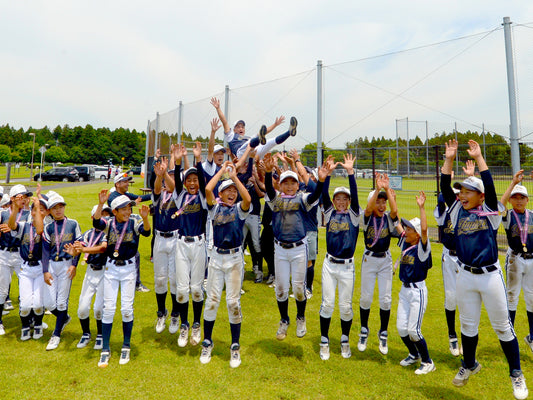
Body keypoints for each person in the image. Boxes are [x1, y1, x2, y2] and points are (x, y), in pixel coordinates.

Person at [441, 139, 528, 399]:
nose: (462, 195)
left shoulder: (490, 211)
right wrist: (449, 159)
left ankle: (516, 374)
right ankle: (469, 365)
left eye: (468, 191)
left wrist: (479, 158)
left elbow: (489, 186)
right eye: (461, 191)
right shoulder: (457, 211)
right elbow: (445, 186)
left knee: (503, 327)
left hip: (490, 276)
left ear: (480, 196)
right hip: (465, 275)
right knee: (468, 326)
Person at [263, 153, 325, 341]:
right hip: (280, 248)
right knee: (281, 288)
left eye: (293, 183)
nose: (289, 186)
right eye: (285, 183)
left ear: (298, 185)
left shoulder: (302, 199)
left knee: (299, 288)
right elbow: (268, 189)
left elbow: (315, 195)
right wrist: (267, 173)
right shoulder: (275, 200)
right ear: (280, 185)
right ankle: (284, 320)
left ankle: (300, 317)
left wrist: (321, 181)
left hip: (299, 248)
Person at [200, 160, 251, 368]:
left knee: (232, 302)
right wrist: (223, 171)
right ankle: (207, 342)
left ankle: (235, 346)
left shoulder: (239, 209)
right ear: (221, 194)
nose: (231, 193)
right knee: (212, 301)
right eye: (227, 191)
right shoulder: (214, 209)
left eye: (233, 191)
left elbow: (247, 198)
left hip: (234, 259)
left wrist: (235, 177)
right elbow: (207, 188)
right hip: (216, 258)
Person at [93, 191, 151, 367]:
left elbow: (146, 233)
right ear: (115, 211)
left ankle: (126, 345)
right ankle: (105, 349)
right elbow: (96, 222)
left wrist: (146, 218)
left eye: (128, 208)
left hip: (128, 269)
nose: (127, 212)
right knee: (109, 308)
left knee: (127, 308)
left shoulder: (133, 222)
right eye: (123, 209)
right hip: (111, 268)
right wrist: (101, 204)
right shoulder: (109, 223)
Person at [318, 154, 361, 360]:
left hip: (346, 267)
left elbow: (355, 195)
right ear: (334, 201)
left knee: (345, 306)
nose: (341, 201)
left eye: (345, 198)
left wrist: (350, 172)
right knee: (327, 303)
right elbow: (324, 194)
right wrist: (327, 175)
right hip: (329, 264)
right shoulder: (330, 212)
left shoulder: (353, 215)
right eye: (338, 198)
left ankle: (344, 339)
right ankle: (324, 340)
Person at [434, 161, 475, 357]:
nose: (459, 197)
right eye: (457, 194)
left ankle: (465, 338)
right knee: (451, 297)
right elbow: (443, 194)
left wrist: (471, 177)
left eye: (463, 194)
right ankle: (452, 334)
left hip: (465, 259)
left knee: (466, 300)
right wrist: (447, 178)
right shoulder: (446, 211)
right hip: (448, 258)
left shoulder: (469, 212)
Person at [172, 143, 209, 348]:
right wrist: (178, 162)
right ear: (185, 183)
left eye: (195, 179)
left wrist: (197, 160)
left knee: (196, 288)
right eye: (189, 180)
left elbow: (204, 183)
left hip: (198, 244)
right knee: (181, 290)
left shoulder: (202, 197)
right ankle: (184, 325)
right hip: (181, 245)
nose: (193, 183)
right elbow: (177, 182)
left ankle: (196, 323)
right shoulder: (181, 196)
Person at [358, 174, 399, 355]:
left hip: (385, 261)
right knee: (366, 297)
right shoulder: (367, 218)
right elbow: (367, 209)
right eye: (378, 202)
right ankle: (364, 330)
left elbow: (395, 212)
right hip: (369, 259)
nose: (381, 206)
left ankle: (383, 332)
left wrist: (388, 190)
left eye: (384, 203)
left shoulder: (388, 218)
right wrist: (377, 188)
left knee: (386, 298)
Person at [395, 191, 435, 375]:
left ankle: (428, 362)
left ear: (417, 234)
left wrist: (421, 207)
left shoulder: (422, 249)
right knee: (402, 329)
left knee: (414, 330)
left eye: (410, 229)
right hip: (404, 291)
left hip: (417, 292)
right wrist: (391, 197)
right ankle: (414, 354)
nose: (406, 230)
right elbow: (395, 221)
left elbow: (425, 231)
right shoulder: (406, 241)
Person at [42, 194, 82, 351]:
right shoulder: (48, 227)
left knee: (61, 301)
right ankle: (64, 318)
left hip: (66, 264)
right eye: (54, 208)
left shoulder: (72, 224)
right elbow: (45, 251)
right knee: (49, 303)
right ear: (50, 211)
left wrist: (74, 265)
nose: (58, 210)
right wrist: (45, 270)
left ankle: (56, 334)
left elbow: (78, 246)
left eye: (61, 207)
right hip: (52, 264)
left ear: (65, 207)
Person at [501, 169, 533, 352]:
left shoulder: (532, 214)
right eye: (515, 197)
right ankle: (510, 336)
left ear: (527, 199)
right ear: (512, 200)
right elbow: (499, 205)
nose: (519, 200)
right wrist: (512, 184)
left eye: (522, 197)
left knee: (532, 298)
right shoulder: (508, 216)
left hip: (532, 260)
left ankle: (532, 337)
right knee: (512, 296)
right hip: (515, 258)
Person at [7, 194, 47, 341]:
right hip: (25, 268)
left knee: (37, 303)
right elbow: (12, 226)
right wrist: (16, 208)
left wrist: (37, 205)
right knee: (24, 304)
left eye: (42, 210)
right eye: (35, 210)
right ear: (31, 212)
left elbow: (39, 230)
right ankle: (25, 326)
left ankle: (37, 324)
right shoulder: (24, 226)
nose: (38, 212)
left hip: (40, 267)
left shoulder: (46, 228)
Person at [72, 205, 109, 350]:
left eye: (107, 215)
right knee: (82, 308)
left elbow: (102, 248)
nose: (104, 218)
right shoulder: (88, 233)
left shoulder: (109, 233)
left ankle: (100, 334)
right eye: (100, 215)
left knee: (99, 308)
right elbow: (79, 246)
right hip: (90, 271)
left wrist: (84, 249)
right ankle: (86, 333)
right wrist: (73, 251)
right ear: (93, 218)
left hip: (104, 272)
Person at [210, 97, 297, 160]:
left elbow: (265, 131)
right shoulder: (231, 136)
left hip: (253, 153)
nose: (241, 128)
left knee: (272, 141)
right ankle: (259, 139)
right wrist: (218, 108)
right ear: (234, 129)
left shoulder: (247, 137)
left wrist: (275, 124)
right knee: (251, 141)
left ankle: (290, 131)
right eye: (238, 126)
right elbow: (224, 122)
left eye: (242, 127)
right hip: (241, 155)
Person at [151, 156, 181, 336]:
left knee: (175, 279)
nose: (168, 179)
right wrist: (159, 176)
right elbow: (156, 189)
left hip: (176, 239)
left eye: (172, 176)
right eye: (167, 176)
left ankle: (176, 313)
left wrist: (166, 176)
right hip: (160, 238)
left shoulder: (181, 195)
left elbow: (175, 188)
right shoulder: (161, 194)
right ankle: (161, 312)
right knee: (160, 278)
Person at [109, 172, 152, 293]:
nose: (127, 184)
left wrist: (156, 193)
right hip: (116, 233)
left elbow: (139, 197)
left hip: (127, 231)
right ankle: (133, 284)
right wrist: (134, 202)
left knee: (134, 255)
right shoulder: (113, 197)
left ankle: (135, 283)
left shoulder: (125, 195)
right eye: (125, 181)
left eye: (128, 181)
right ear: (117, 184)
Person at [0, 185, 31, 333]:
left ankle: (31, 320)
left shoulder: (28, 214)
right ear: (12, 199)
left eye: (25, 197)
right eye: (20, 197)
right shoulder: (3, 213)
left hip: (20, 254)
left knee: (26, 286)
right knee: (2, 289)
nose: (23, 200)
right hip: (4, 253)